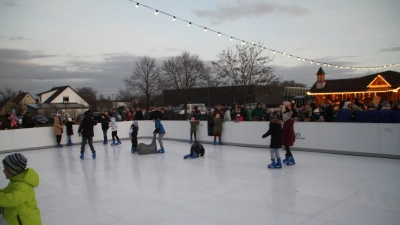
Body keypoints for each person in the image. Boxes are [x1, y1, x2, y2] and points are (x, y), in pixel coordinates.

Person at [0, 153, 42, 225]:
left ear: (12, 170)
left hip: (26, 222)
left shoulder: (23, 185)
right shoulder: (17, 181)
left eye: (5, 168)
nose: (3, 171)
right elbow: (6, 192)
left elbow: (11, 200)